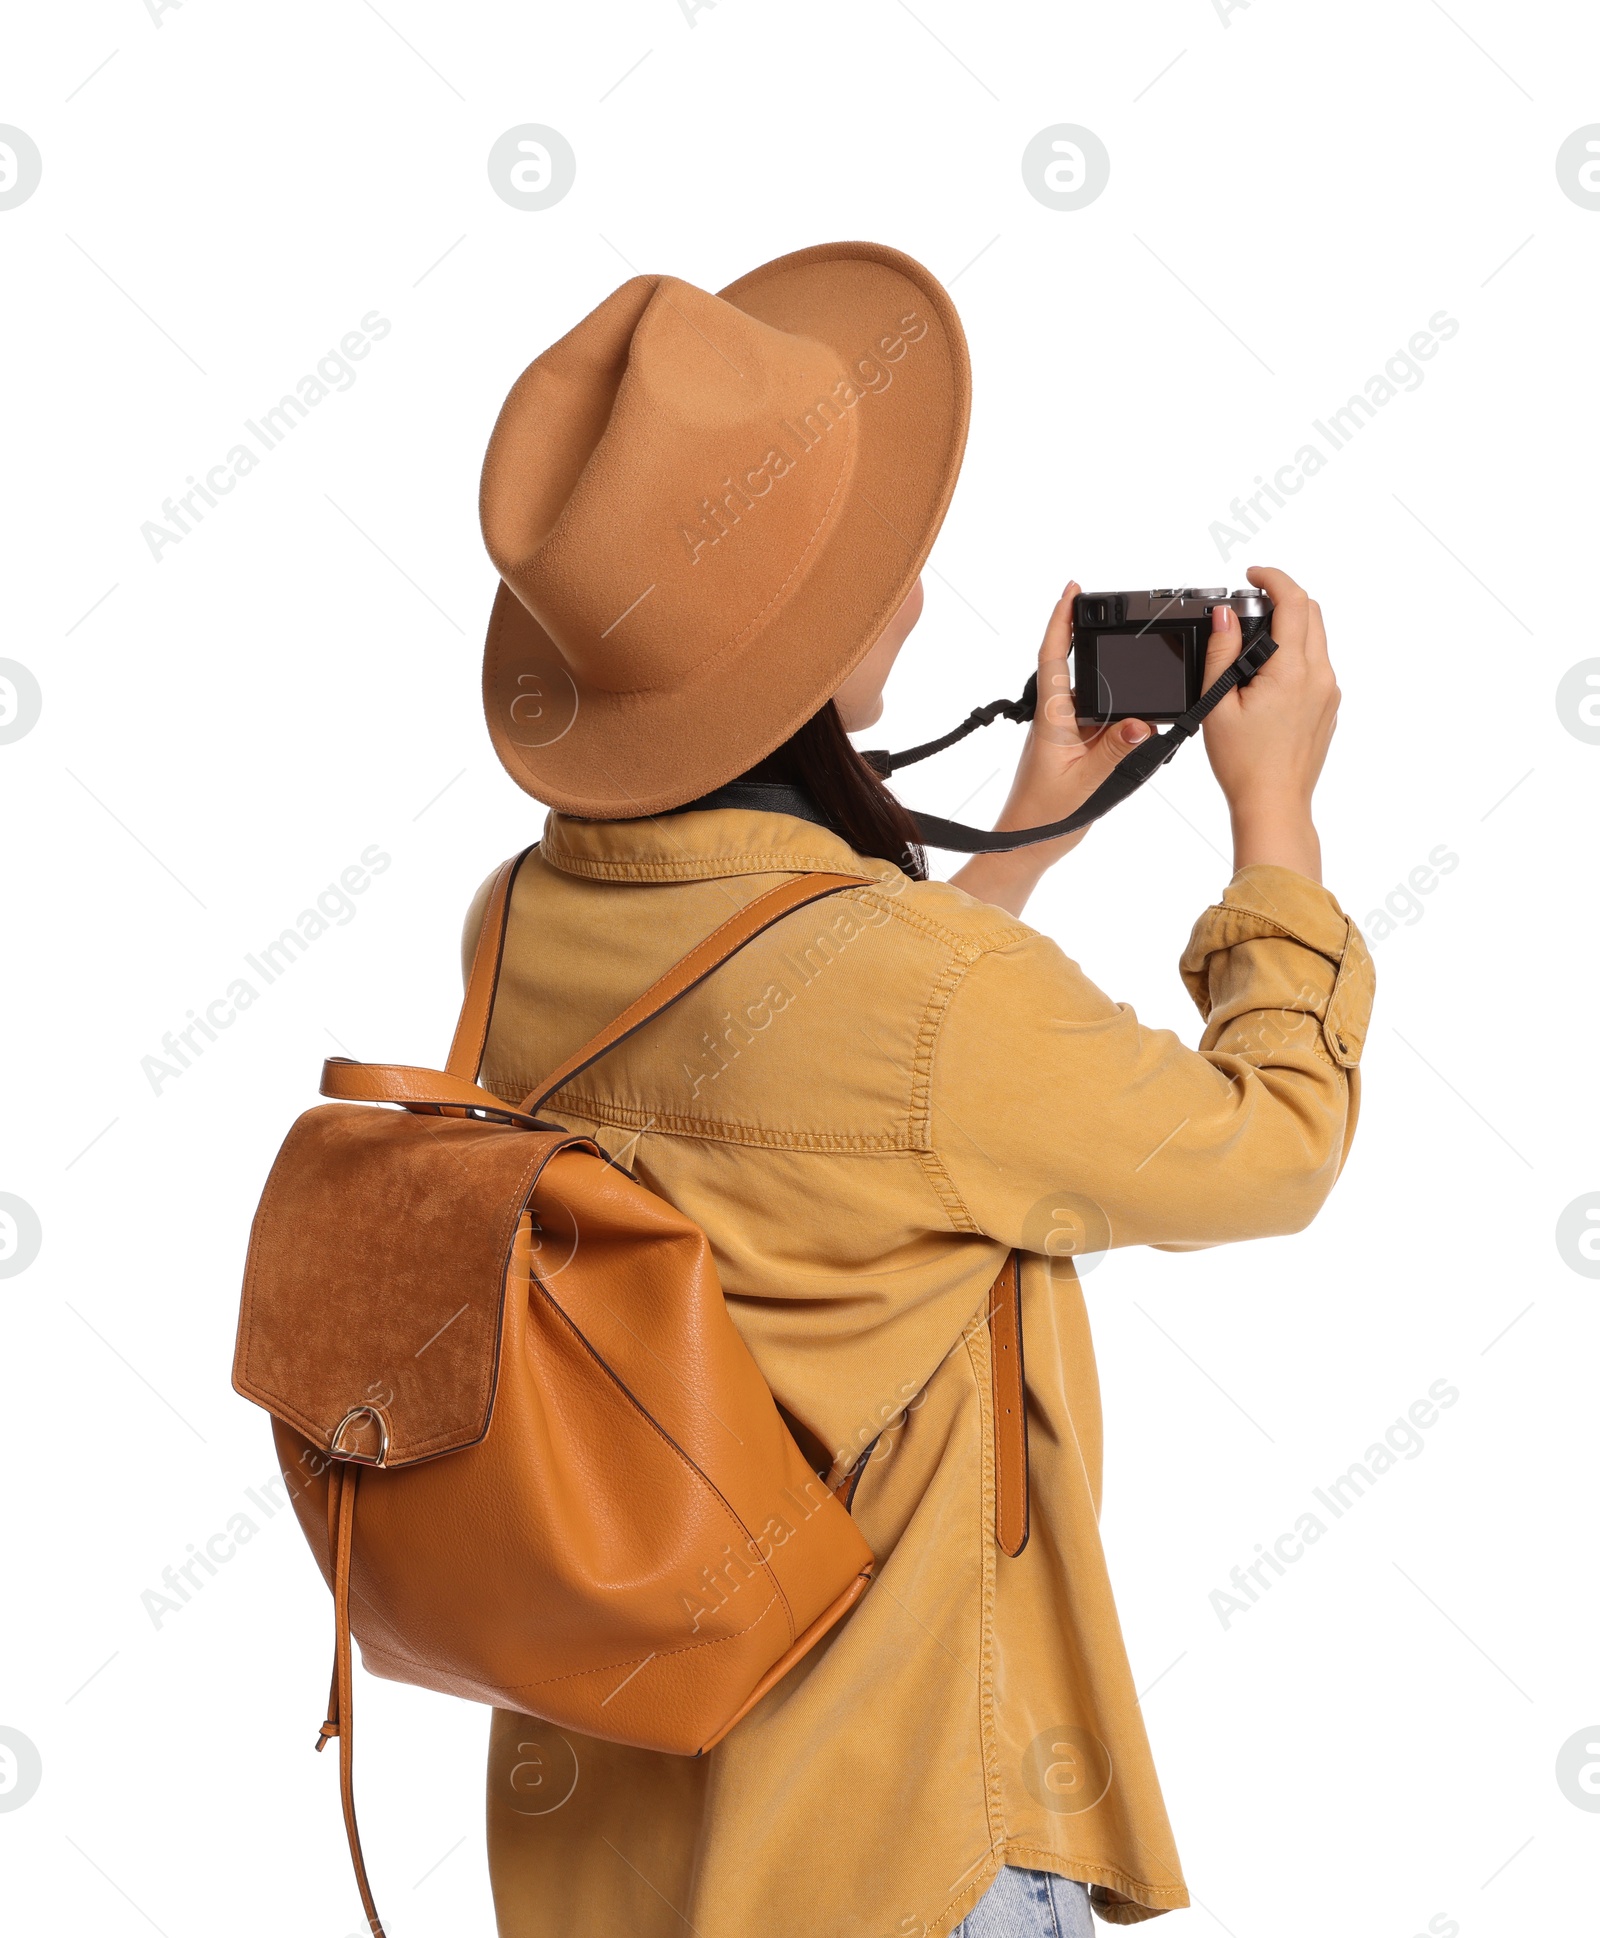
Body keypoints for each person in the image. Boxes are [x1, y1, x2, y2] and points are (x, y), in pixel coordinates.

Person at [467, 242, 1372, 1937]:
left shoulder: (520, 923)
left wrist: (1029, 824)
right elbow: (1276, 1148)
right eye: (872, 557)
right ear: (785, 645)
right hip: (894, 1848)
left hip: (615, 1849)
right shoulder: (929, 1001)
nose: (916, 585)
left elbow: (791, 1096)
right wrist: (1277, 822)